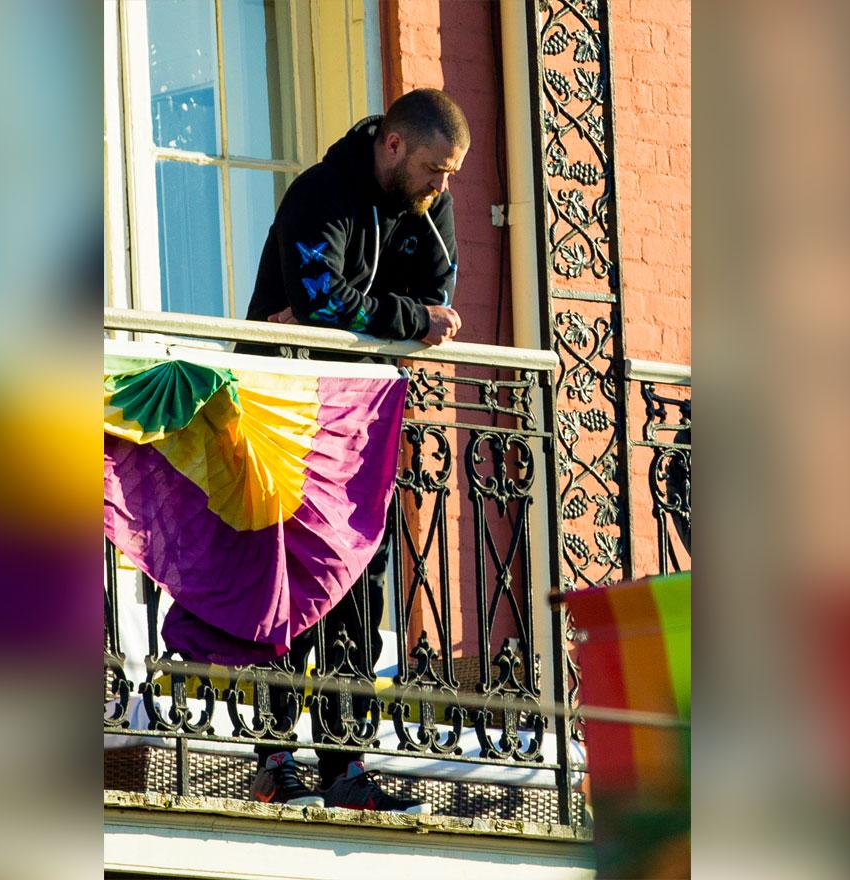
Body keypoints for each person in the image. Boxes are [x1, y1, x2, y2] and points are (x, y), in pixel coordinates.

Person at [241, 88, 469, 814]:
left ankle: (347, 764)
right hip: (287, 413)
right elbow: (320, 300)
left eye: (453, 172)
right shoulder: (322, 192)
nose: (443, 185)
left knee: (359, 589)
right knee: (292, 581)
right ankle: (275, 757)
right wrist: (397, 320)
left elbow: (441, 305)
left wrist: (371, 318)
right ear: (394, 145)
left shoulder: (434, 213)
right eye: (435, 168)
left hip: (365, 424)